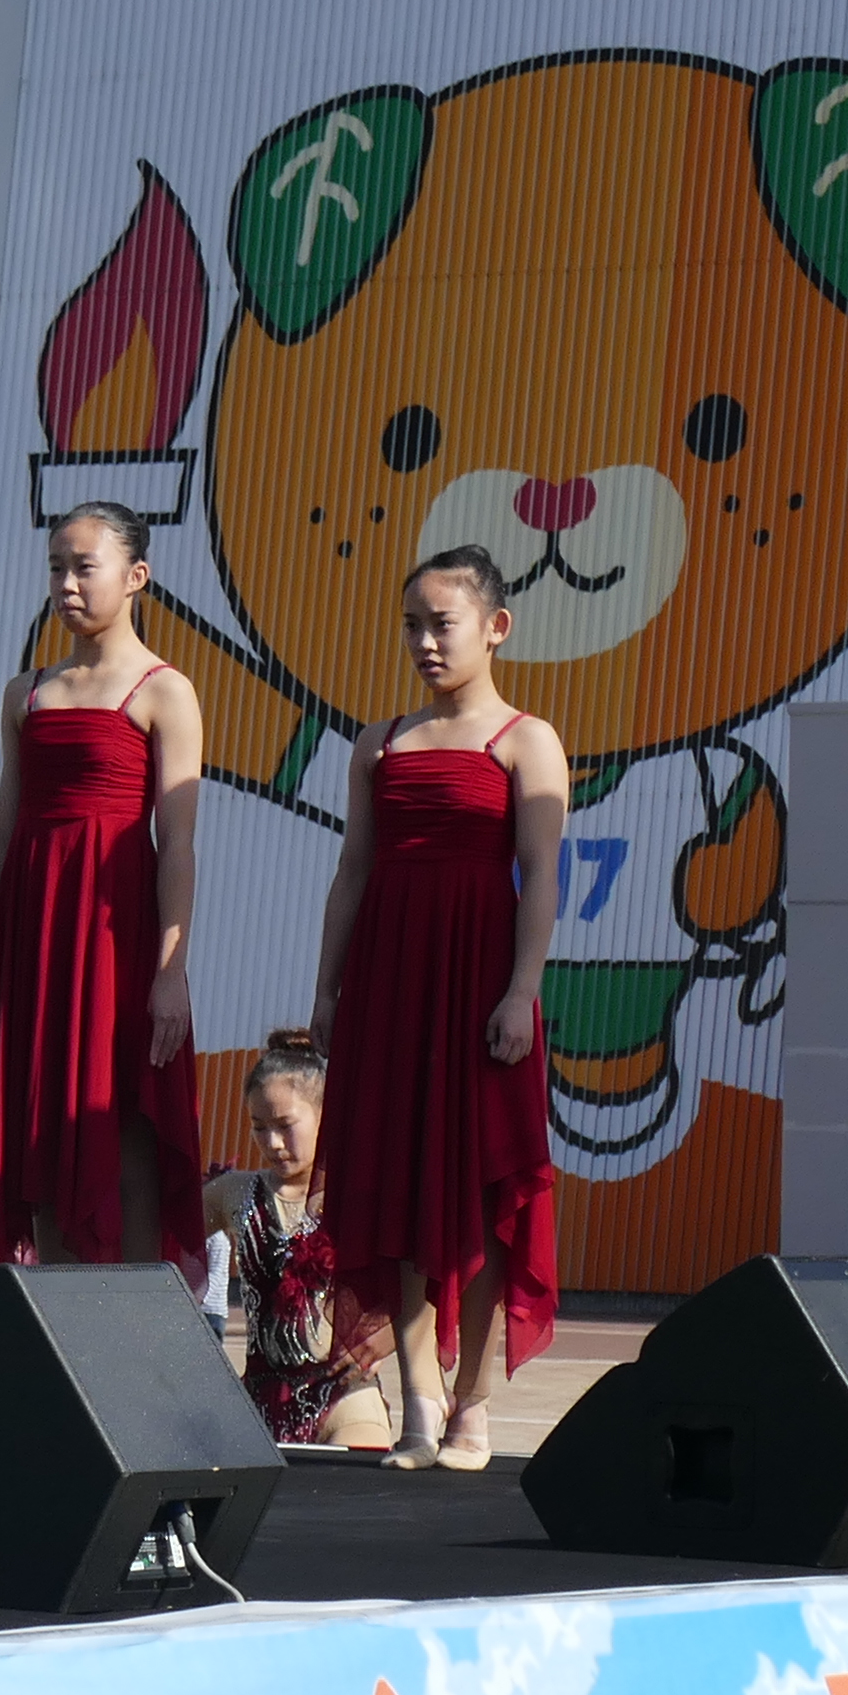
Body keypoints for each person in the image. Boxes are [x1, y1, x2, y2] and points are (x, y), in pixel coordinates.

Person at [309, 547, 565, 1473]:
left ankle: (472, 1410)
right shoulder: (377, 743)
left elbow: (539, 876)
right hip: (390, 986)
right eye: (410, 624)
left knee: (485, 1194)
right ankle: (417, 1410)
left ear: (495, 628)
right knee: (395, 1190)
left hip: (479, 988)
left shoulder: (525, 741)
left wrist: (520, 992)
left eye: (441, 623)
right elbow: (354, 871)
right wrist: (328, 990)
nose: (423, 641)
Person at [0, 501, 205, 1277]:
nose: (67, 583)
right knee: (39, 1135)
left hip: (116, 940)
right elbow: (1, 833)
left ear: (136, 577)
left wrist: (170, 969)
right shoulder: (27, 694)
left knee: (128, 1132)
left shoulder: (164, 691)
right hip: (34, 936)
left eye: (85, 566)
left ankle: (145, 1336)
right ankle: (63, 1340)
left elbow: (177, 842)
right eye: (57, 566)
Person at [206, 1030, 395, 1452]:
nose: (271, 1143)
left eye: (285, 1126)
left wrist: (393, 1331)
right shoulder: (234, 1193)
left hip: (346, 1400)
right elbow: (161, 1236)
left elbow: (443, 1270)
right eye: (259, 1127)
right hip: (255, 1402)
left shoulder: (363, 1196)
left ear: (327, 1116)